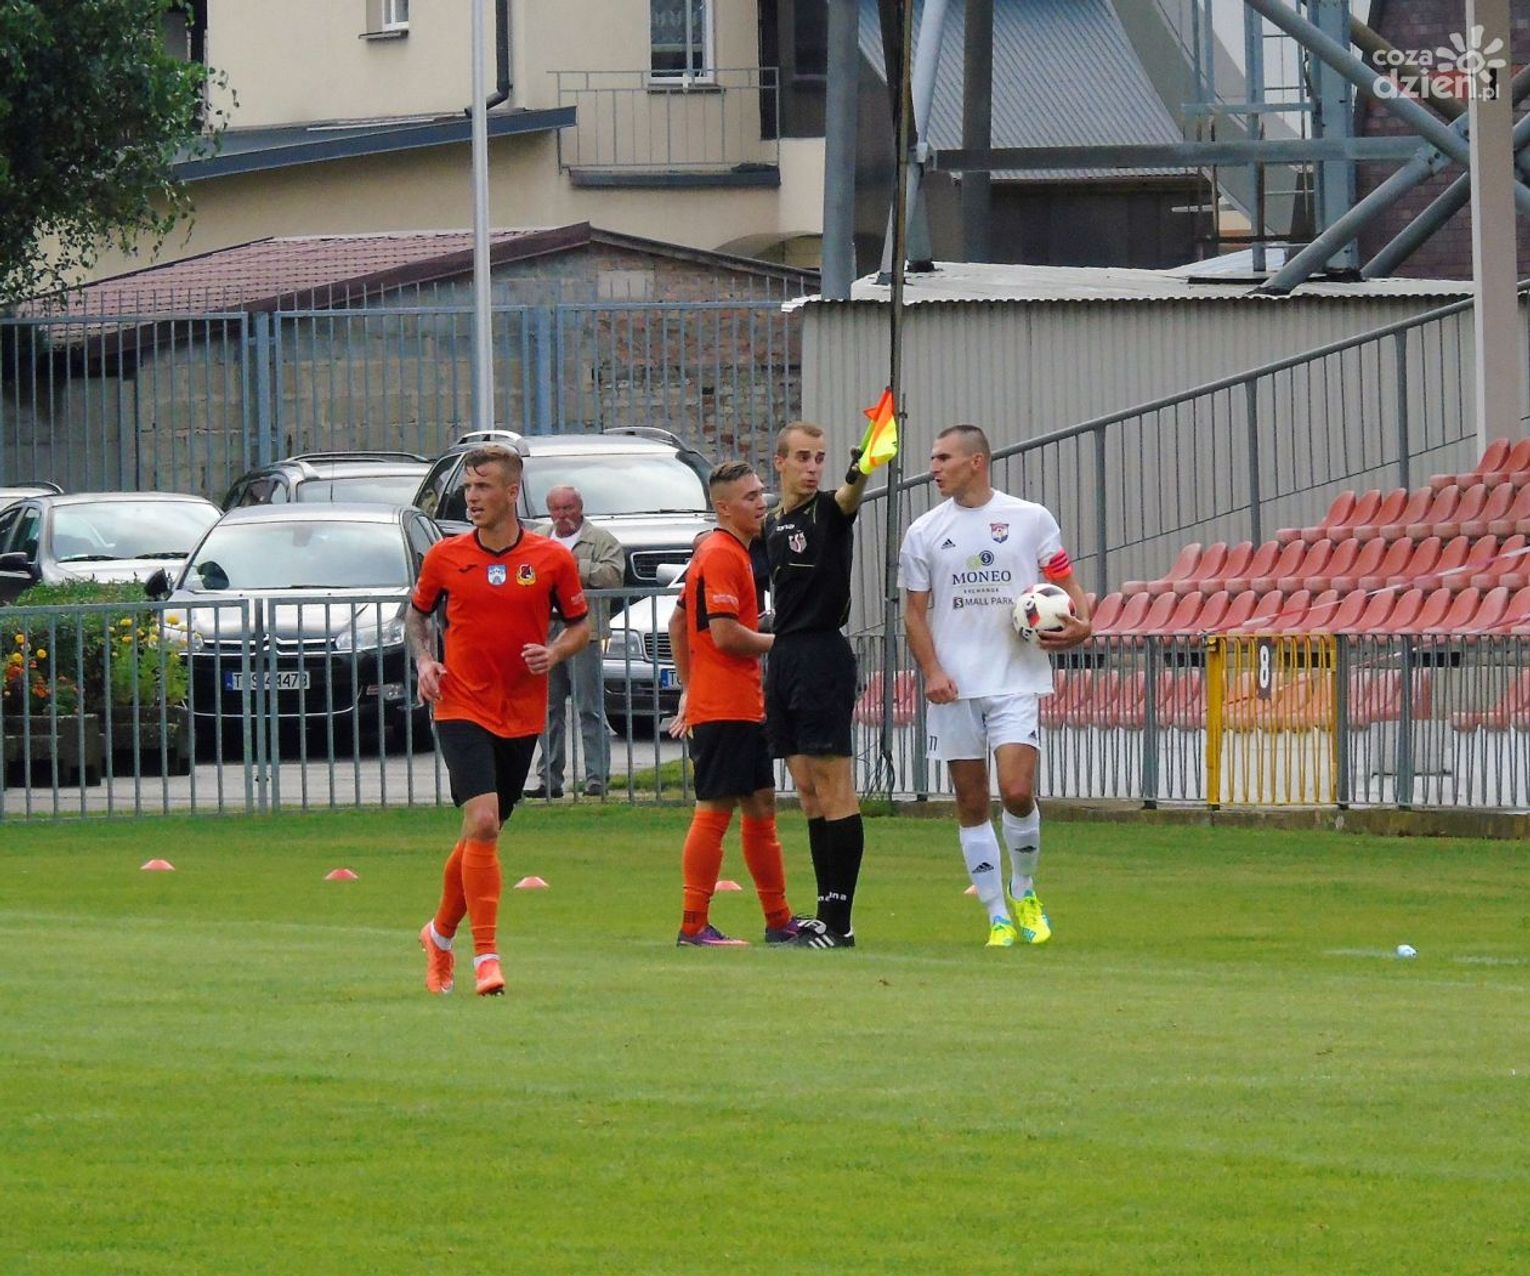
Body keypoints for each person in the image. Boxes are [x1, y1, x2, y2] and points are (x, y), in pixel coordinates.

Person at [898, 425, 1092, 948]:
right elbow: (914, 613)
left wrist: (1084, 624)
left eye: (944, 458)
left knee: (1017, 792)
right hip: (955, 686)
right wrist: (932, 671)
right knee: (970, 800)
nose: (934, 468)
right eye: (933, 459)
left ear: (976, 461)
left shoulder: (1030, 518)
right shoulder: (924, 531)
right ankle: (996, 916)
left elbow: (1065, 582)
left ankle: (1024, 890)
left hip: (1015, 677)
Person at [406, 444, 591, 995]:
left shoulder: (551, 559)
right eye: (469, 486)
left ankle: (439, 936)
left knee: (481, 833)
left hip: (522, 712)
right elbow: (417, 615)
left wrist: (553, 653)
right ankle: (486, 958)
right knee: (483, 820)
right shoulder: (445, 557)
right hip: (460, 704)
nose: (472, 496)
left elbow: (580, 626)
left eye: (483, 486)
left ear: (512, 493)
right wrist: (425, 661)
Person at [666, 460, 805, 947]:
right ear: (723, 507)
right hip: (725, 705)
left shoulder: (726, 552)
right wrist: (784, 645)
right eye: (750, 497)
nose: (761, 503)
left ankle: (779, 920)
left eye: (761, 493)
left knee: (761, 803)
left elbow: (678, 622)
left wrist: (689, 687)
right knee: (716, 808)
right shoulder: (722, 554)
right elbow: (726, 636)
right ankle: (693, 924)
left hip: (738, 702)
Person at [761, 421, 869, 948]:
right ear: (779, 462)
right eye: (803, 457)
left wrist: (862, 466)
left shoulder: (828, 510)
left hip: (822, 654)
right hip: (784, 654)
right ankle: (824, 910)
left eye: (819, 458)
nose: (812, 468)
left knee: (833, 785)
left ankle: (841, 922)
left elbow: (850, 495)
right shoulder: (771, 522)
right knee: (806, 789)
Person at [526, 484, 625, 799]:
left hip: (585, 632)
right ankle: (550, 780)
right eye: (556, 509)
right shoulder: (537, 537)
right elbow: (524, 574)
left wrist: (570, 565)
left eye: (568, 508)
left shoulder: (601, 540)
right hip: (545, 632)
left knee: (589, 708)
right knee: (548, 709)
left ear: (580, 508)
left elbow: (613, 576)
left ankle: (597, 779)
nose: (562, 515)